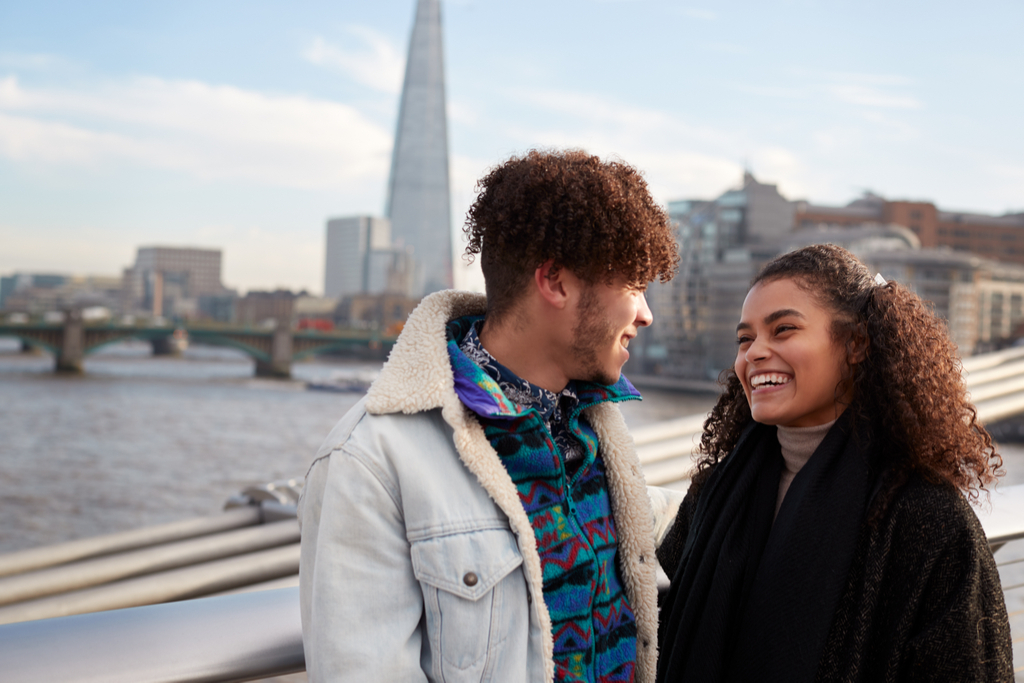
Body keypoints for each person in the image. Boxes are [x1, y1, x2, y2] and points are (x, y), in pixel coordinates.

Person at [298, 149, 681, 682]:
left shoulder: (594, 425)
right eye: (634, 286)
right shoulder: (370, 463)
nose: (646, 313)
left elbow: (662, 515)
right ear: (556, 282)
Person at [656, 244, 1012, 683]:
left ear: (857, 343)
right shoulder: (711, 494)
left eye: (783, 329)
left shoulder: (930, 522)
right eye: (744, 339)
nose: (754, 353)